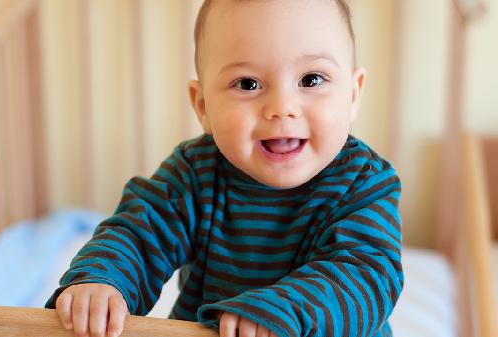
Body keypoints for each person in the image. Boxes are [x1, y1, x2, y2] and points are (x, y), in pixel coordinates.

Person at [46, 0, 403, 336]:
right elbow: (140, 233)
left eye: (311, 80)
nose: (281, 107)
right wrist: (103, 280)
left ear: (353, 94)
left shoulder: (364, 182)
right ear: (202, 106)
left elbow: (364, 274)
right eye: (248, 84)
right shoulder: (193, 174)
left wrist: (282, 311)